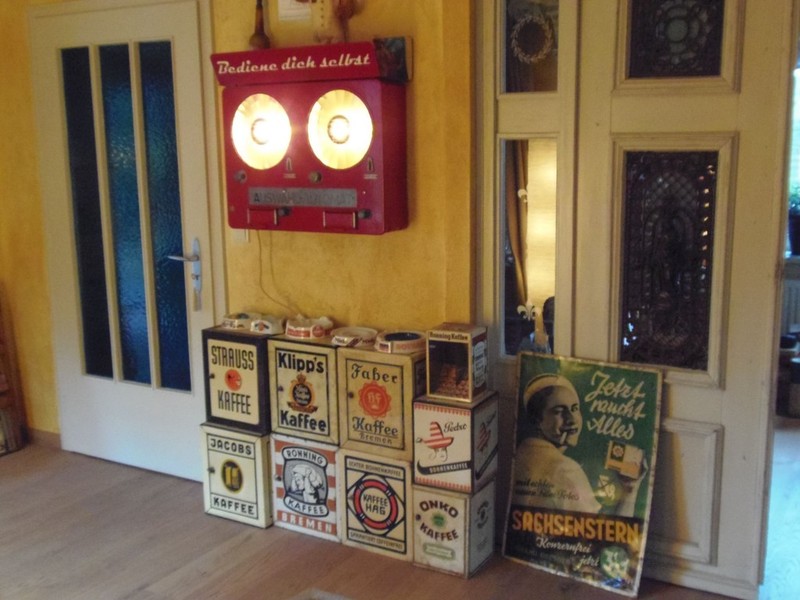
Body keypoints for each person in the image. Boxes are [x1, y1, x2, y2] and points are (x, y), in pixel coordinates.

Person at [511, 373, 643, 516]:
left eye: (574, 409)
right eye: (559, 412)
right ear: (537, 420)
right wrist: (630, 492)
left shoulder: (521, 452)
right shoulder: (565, 470)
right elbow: (597, 530)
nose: (572, 420)